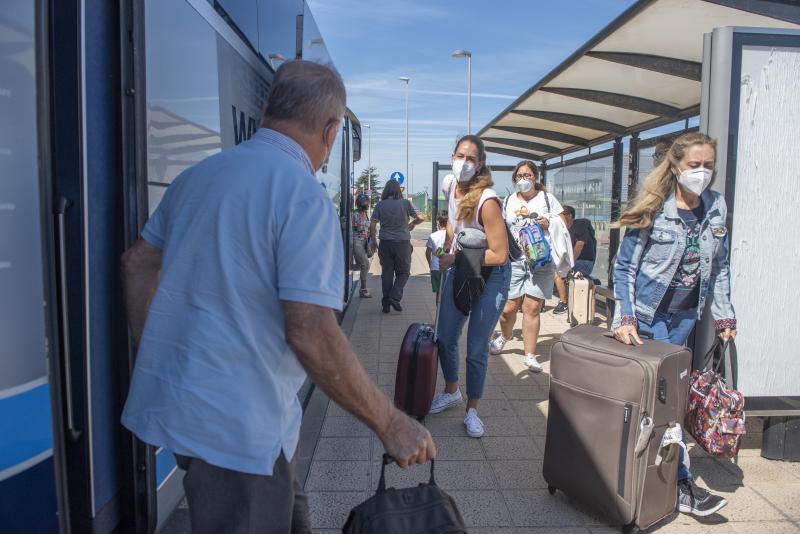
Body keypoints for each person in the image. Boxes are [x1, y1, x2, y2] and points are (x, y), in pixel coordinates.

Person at [120, 60, 435, 534]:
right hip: (239, 432)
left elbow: (136, 264)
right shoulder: (302, 196)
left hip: (204, 416)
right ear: (330, 132)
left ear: (270, 110)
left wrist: (157, 352)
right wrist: (390, 423)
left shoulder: (197, 177)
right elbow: (310, 331)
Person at [611, 132, 736, 518]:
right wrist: (625, 316)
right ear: (676, 166)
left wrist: (725, 315)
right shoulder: (653, 207)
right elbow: (624, 268)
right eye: (694, 165)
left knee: (666, 402)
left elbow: (719, 268)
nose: (702, 172)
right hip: (648, 320)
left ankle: (657, 474)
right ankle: (682, 485)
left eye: (708, 165)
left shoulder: (716, 207)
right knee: (667, 401)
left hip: (685, 319)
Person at [429, 135, 510, 438]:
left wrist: (456, 257)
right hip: (463, 270)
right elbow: (452, 221)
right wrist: (446, 248)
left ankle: (472, 410)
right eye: (460, 155)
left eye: (471, 158)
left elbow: (499, 253)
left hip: (492, 275)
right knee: (445, 336)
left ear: (480, 164)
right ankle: (452, 391)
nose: (463, 162)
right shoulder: (450, 185)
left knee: (476, 346)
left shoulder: (487, 201)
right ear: (452, 156)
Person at [488, 160, 563, 372]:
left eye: (528, 175)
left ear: (536, 177)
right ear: (514, 179)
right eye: (520, 176)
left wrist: (550, 222)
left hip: (540, 260)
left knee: (532, 308)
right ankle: (505, 335)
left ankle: (529, 354)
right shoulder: (509, 200)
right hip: (515, 259)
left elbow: (564, 221)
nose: (524, 179)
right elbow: (501, 226)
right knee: (508, 309)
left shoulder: (547, 199)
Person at [369, 180, 425, 313]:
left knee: (387, 273)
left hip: (385, 243)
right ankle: (394, 296)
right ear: (399, 191)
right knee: (404, 272)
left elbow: (372, 224)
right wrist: (413, 224)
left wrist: (373, 240)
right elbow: (421, 217)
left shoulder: (380, 205)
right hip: (402, 243)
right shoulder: (405, 203)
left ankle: (386, 304)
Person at [553, 204, 597, 314]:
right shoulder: (565, 229)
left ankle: (563, 302)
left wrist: (569, 264)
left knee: (558, 274)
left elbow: (579, 245)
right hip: (575, 261)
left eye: (560, 215)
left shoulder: (580, 225)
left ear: (569, 215)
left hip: (583, 262)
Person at [352, 193, 372, 298]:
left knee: (363, 265)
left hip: (364, 242)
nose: (366, 204)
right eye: (364, 202)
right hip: (356, 241)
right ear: (358, 203)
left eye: (367, 202)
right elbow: (354, 228)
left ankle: (350, 269)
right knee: (365, 264)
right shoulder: (354, 214)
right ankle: (363, 290)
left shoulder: (365, 214)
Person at [425, 212, 448, 301]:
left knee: (438, 292)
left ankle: (438, 312)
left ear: (438, 222)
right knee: (447, 292)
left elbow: (427, 253)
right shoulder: (452, 236)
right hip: (448, 267)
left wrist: (430, 264)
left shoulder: (433, 236)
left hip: (435, 267)